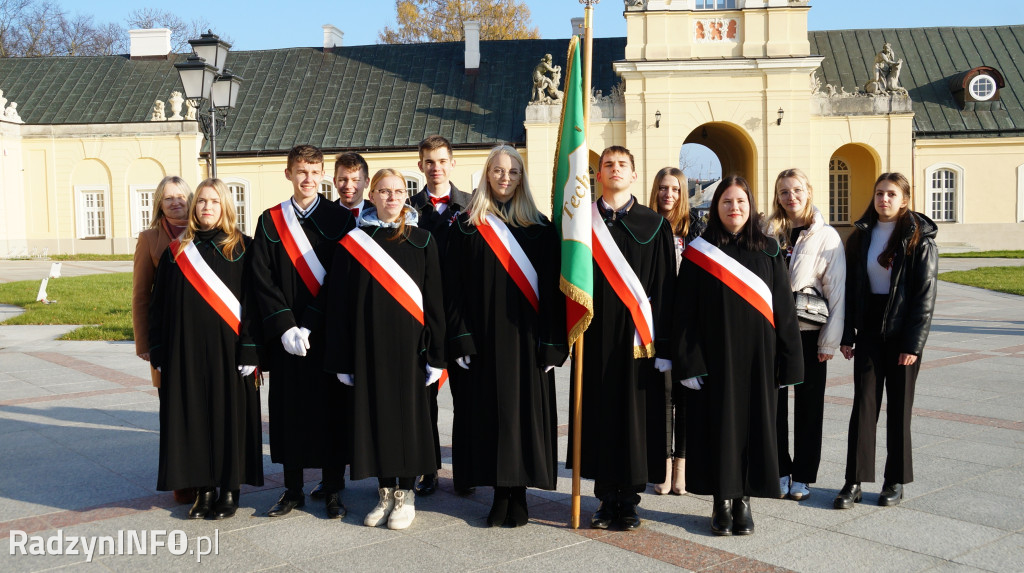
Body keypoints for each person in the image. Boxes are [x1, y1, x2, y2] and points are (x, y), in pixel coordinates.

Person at [672, 175, 803, 536]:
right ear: (716, 207)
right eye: (727, 202)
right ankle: (720, 501)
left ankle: (744, 500)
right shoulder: (699, 252)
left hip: (758, 362)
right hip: (714, 362)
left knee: (754, 431)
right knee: (718, 431)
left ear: (751, 206)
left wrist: (789, 360)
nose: (734, 208)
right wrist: (688, 361)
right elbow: (684, 314)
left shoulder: (769, 250)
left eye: (741, 202)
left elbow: (784, 310)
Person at [444, 145, 568, 527]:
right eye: (498, 171)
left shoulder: (542, 229)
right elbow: (453, 289)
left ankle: (521, 493)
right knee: (490, 417)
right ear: (486, 175)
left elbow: (553, 291)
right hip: (483, 342)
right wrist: (460, 337)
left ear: (521, 179)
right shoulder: (466, 227)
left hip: (528, 341)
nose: (505, 178)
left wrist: (551, 344)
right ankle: (499, 493)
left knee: (523, 418)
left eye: (513, 172)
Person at [323, 168, 445, 530]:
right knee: (374, 420)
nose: (392, 197)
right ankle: (385, 492)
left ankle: (405, 496)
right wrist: (342, 358)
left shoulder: (423, 241)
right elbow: (339, 305)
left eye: (398, 191)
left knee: (407, 420)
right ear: (371, 195)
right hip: (367, 349)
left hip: (411, 351)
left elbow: (436, 303)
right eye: (384, 191)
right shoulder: (352, 243)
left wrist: (436, 355)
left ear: (405, 197)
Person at [568, 146, 675, 531]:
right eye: (608, 165)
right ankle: (603, 498)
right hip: (594, 337)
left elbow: (665, 289)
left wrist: (665, 346)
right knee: (599, 416)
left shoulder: (656, 226)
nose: (615, 170)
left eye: (622, 165)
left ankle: (629, 500)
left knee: (634, 420)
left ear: (633, 175)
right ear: (598, 175)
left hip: (638, 341)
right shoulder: (581, 222)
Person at [250, 145, 355, 520]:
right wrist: (284, 325)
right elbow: (261, 279)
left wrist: (309, 323)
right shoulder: (268, 221)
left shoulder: (340, 219)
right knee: (287, 412)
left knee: (331, 412)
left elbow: (342, 279)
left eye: (313, 171)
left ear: (322, 174)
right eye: (300, 171)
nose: (307, 179)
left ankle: (332, 489)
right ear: (289, 174)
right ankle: (291, 489)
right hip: (285, 338)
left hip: (325, 333)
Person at [148, 178, 263, 520]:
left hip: (231, 352)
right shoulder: (177, 251)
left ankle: (229, 489)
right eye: (201, 202)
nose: (207, 207)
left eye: (214, 201)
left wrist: (251, 350)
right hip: (186, 352)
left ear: (225, 205)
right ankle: (203, 489)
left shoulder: (244, 247)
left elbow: (257, 304)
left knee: (229, 419)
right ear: (194, 207)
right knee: (193, 419)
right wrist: (159, 352)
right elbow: (159, 307)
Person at [834, 172, 938, 509]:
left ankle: (895, 480)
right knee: (863, 407)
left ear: (905, 199)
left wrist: (913, 344)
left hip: (902, 331)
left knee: (899, 409)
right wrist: (848, 333)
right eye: (880, 193)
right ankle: (853, 481)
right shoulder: (861, 236)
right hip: (868, 330)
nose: (884, 200)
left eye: (892, 194)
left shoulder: (918, 239)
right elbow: (851, 289)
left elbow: (925, 295)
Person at [766, 169, 846, 502]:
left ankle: (804, 475)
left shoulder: (826, 236)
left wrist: (830, 341)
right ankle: (780, 469)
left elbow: (837, 291)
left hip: (809, 332)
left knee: (809, 407)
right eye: (784, 192)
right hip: (772, 333)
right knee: (775, 405)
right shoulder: (768, 232)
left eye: (797, 190)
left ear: (809, 192)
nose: (791, 197)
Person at [408, 135, 473, 497]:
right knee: (425, 397)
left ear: (452, 164)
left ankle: (465, 471)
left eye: (442, 160)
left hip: (460, 313)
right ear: (421, 166)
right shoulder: (408, 208)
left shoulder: (472, 205)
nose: (436, 168)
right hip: (422, 315)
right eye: (429, 162)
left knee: (466, 398)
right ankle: (428, 468)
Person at [131, 175, 194, 506]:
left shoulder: (202, 232)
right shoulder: (150, 238)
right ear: (159, 203)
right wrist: (144, 342)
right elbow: (141, 294)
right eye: (168, 197)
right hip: (167, 339)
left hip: (200, 340)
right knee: (172, 409)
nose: (175, 202)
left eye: (181, 196)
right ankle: (181, 479)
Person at [645, 166, 705, 496]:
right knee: (663, 397)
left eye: (676, 189)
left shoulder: (696, 229)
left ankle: (682, 465)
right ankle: (663, 467)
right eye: (663, 188)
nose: (669, 195)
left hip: (690, 324)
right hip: (656, 322)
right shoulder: (647, 225)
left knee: (685, 396)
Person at [334, 151, 371, 216]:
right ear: (335, 182)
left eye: (356, 180)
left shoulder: (379, 214)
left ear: (366, 182)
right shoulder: (324, 214)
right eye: (342, 180)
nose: (348, 186)